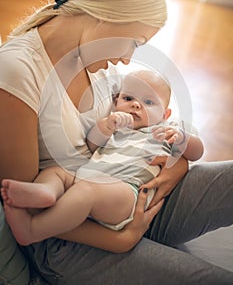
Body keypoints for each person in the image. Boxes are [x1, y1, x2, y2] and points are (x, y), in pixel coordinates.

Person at [0, 0, 232, 285]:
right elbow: (26, 208)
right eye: (135, 43)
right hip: (71, 237)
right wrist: (123, 239)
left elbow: (144, 127)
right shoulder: (18, 72)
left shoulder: (99, 63)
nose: (126, 58)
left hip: (133, 195)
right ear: (109, 13)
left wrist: (175, 167)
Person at [1, 69, 204, 244]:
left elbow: (197, 152)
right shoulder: (118, 126)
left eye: (148, 102)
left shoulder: (167, 129)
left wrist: (182, 139)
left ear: (165, 114)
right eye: (128, 98)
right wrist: (107, 125)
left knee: (87, 192)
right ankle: (46, 192)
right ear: (116, 102)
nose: (135, 105)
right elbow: (92, 144)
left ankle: (32, 230)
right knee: (57, 172)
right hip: (86, 178)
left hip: (125, 192)